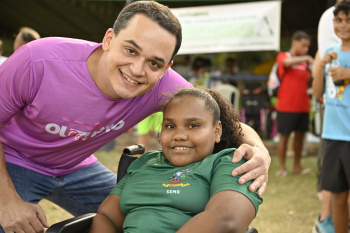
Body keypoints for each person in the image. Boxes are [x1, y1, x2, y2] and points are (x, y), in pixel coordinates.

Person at [0, 1, 270, 233]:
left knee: (149, 212)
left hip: (77, 167)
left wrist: (260, 152)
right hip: (13, 161)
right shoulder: (38, 60)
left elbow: (219, 117)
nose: (138, 70)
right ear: (108, 40)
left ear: (166, 68)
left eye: (154, 62)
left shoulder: (163, 85)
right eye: (130, 50)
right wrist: (7, 201)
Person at [89, 88, 263, 233]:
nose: (179, 136)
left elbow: (228, 221)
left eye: (193, 125)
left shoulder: (228, 162)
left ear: (217, 131)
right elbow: (107, 217)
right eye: (170, 126)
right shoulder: (144, 162)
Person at [312, 1, 350, 233]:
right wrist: (320, 66)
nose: (343, 25)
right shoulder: (329, 52)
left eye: (348, 20)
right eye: (339, 20)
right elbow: (318, 93)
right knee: (337, 193)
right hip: (332, 135)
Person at [275, 30, 314, 177]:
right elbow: (285, 63)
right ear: (295, 43)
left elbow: (310, 79)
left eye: (307, 47)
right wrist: (307, 58)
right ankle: (282, 168)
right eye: (303, 45)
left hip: (303, 106)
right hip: (286, 106)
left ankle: (297, 166)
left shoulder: (306, 63)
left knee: (300, 136)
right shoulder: (284, 56)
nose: (306, 49)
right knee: (284, 136)